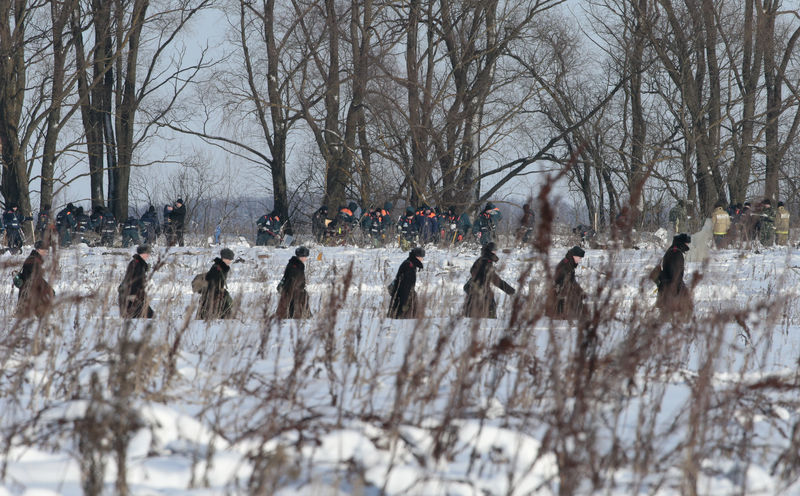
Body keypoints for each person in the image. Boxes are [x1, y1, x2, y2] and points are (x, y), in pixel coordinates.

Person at [463, 242, 516, 318]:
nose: (495, 252)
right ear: (490, 251)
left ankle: (470, 321)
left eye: (496, 250)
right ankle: (491, 322)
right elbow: (496, 280)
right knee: (490, 307)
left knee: (472, 309)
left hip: (474, 287)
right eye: (494, 250)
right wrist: (511, 291)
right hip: (480, 290)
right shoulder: (486, 262)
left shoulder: (482, 259)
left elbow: (472, 271)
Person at [655, 233, 693, 321]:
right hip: (672, 286)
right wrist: (677, 288)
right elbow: (675, 273)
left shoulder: (673, 250)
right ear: (682, 243)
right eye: (687, 243)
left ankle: (669, 327)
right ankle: (682, 325)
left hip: (667, 284)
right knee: (686, 306)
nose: (688, 245)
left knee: (667, 310)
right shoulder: (676, 253)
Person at [16, 240, 54, 318]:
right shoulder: (33, 260)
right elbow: (35, 278)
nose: (46, 252)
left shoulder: (35, 259)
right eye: (45, 249)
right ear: (39, 250)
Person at [547, 246, 586, 321]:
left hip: (563, 290)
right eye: (579, 257)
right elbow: (562, 282)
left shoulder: (570, 264)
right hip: (558, 293)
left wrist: (580, 291)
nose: (580, 260)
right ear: (574, 256)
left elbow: (572, 281)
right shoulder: (566, 265)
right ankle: (560, 314)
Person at [118, 245, 154, 318]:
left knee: (148, 316)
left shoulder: (138, 263)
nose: (148, 256)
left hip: (134, 295)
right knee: (147, 316)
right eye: (148, 253)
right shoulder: (137, 264)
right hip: (132, 295)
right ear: (143, 254)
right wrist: (132, 294)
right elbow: (134, 280)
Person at [388, 247, 425, 319]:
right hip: (403, 297)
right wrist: (404, 303)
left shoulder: (409, 263)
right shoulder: (409, 266)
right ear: (417, 257)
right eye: (422, 257)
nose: (422, 259)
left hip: (401, 295)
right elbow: (406, 286)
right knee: (401, 319)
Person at [198, 248, 235, 320]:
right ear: (224, 258)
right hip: (213, 294)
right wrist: (216, 291)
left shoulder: (222, 267)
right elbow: (211, 280)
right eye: (229, 259)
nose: (230, 261)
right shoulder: (217, 268)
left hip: (217, 293)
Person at [275, 246, 311, 319]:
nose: (306, 258)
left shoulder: (295, 264)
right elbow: (292, 280)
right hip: (292, 291)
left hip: (294, 290)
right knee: (295, 304)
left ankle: (300, 316)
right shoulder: (296, 266)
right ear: (301, 256)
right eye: (305, 256)